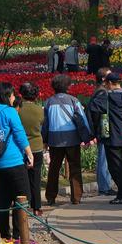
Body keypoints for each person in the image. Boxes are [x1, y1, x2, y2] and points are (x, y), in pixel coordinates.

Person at [0, 82, 34, 244]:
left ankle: (5, 234)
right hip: (13, 161)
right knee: (23, 197)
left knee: (3, 199)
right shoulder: (10, 112)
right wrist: (29, 153)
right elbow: (19, 135)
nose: (14, 98)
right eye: (12, 95)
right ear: (6, 96)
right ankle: (20, 236)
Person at [87, 73, 122, 204]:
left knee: (116, 166)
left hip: (112, 136)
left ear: (109, 83)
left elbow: (92, 109)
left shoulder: (106, 98)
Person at [42, 74, 90, 205]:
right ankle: (76, 197)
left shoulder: (48, 102)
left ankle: (51, 197)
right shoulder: (74, 101)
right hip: (72, 139)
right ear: (67, 87)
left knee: (54, 168)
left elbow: (45, 124)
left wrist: (45, 140)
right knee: (75, 167)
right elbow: (82, 120)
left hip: (54, 139)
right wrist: (86, 138)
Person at [85, 67, 115, 196]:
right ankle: (104, 187)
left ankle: (105, 185)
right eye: (109, 76)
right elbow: (98, 111)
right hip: (103, 129)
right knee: (104, 158)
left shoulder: (99, 91)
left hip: (101, 129)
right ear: (103, 79)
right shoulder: (102, 93)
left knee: (105, 157)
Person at [18, 82, 45, 217]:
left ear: (21, 94)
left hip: (20, 147)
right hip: (36, 147)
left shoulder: (18, 110)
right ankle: (37, 207)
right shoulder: (39, 109)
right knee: (36, 178)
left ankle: (23, 205)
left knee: (22, 178)